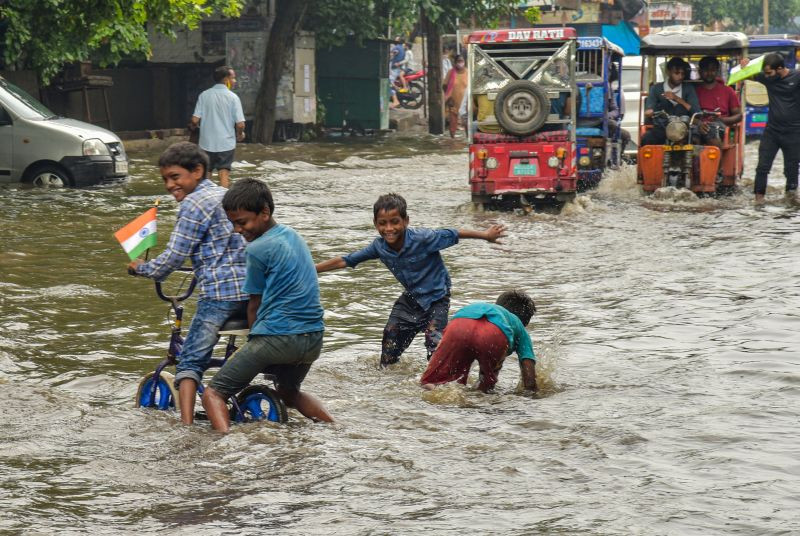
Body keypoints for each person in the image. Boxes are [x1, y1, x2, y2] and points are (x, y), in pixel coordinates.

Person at [127, 142, 247, 425]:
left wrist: (143, 269)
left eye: (175, 177)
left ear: (197, 171)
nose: (170, 185)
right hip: (252, 291)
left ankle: (186, 427)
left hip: (220, 294)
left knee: (190, 362)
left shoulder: (194, 203)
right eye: (165, 179)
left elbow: (174, 256)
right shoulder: (225, 194)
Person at [201, 178, 334, 433]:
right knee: (288, 392)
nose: (238, 230)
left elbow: (254, 304)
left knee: (214, 393)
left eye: (242, 222)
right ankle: (335, 428)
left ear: (264, 212)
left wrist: (253, 342)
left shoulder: (257, 249)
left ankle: (224, 445)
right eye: (233, 224)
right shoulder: (293, 235)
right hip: (313, 338)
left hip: (278, 337)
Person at [315, 193, 506, 367]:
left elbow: (454, 233)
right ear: (375, 224)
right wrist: (311, 270)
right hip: (412, 298)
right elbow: (345, 260)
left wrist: (486, 236)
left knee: (434, 342)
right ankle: (386, 377)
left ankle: (437, 379)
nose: (389, 229)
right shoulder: (378, 247)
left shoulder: (423, 238)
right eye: (383, 223)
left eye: (394, 222)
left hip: (437, 298)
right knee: (391, 336)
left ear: (406, 221)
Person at [420, 290, 537, 393]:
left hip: (459, 325)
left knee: (435, 381)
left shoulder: (482, 307)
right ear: (524, 322)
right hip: (494, 334)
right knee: (485, 389)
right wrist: (531, 392)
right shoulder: (518, 325)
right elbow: (528, 364)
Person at [741, 52, 800, 203]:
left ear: (780, 68)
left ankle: (791, 201)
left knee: (791, 169)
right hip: (772, 131)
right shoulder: (768, 78)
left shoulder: (797, 77)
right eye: (765, 72)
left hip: (793, 132)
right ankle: (758, 201)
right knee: (762, 167)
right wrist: (746, 64)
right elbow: (745, 74)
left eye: (769, 73)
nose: (766, 76)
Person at [190, 65, 245, 188]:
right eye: (233, 78)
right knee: (223, 174)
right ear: (226, 79)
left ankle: (206, 200)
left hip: (206, 143)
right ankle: (224, 204)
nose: (234, 81)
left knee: (206, 174)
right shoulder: (233, 97)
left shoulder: (204, 95)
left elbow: (194, 120)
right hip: (226, 143)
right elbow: (240, 124)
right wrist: (239, 134)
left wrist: (196, 128)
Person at [641, 57, 700, 146]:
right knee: (647, 139)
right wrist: (650, 112)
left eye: (682, 74)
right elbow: (649, 109)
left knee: (696, 140)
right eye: (676, 73)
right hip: (662, 128)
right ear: (668, 72)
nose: (680, 77)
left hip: (685, 129)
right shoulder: (656, 89)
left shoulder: (688, 89)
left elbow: (696, 112)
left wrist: (677, 99)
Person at [693, 56, 742, 149]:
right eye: (706, 70)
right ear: (700, 71)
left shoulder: (728, 91)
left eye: (712, 70)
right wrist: (699, 123)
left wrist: (721, 120)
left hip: (720, 127)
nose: (709, 73)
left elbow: (739, 115)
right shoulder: (694, 91)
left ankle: (718, 161)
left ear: (717, 71)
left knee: (712, 133)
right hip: (697, 125)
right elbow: (689, 113)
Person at [444, 54, 468, 137]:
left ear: (465, 62)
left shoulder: (468, 72)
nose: (460, 63)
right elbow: (445, 85)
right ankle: (452, 143)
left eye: (461, 61)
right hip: (453, 102)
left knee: (467, 125)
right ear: (455, 62)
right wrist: (448, 97)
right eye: (458, 61)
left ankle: (467, 141)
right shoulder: (451, 72)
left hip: (466, 104)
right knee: (452, 125)